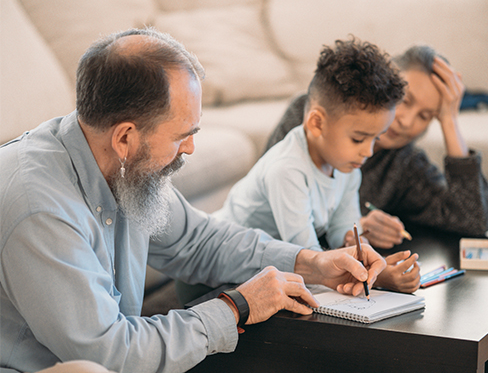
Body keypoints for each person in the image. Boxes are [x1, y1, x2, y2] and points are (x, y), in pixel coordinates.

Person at [0, 28, 387, 373]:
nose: (191, 147)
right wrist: (235, 306)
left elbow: (199, 241)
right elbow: (112, 354)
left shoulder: (122, 164)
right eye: (181, 135)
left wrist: (313, 263)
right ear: (125, 138)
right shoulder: (41, 209)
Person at [213, 38, 419, 294]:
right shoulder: (287, 170)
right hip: (215, 276)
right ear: (317, 123)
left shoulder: (346, 166)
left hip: (265, 269)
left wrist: (367, 258)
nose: (368, 151)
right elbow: (308, 260)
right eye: (358, 138)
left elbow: (343, 230)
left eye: (375, 138)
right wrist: (377, 277)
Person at [264, 45, 488, 249]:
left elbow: (472, 220)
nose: (406, 121)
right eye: (404, 100)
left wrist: (450, 121)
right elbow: (276, 207)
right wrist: (352, 227)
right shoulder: (310, 113)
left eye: (426, 116)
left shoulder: (405, 164)